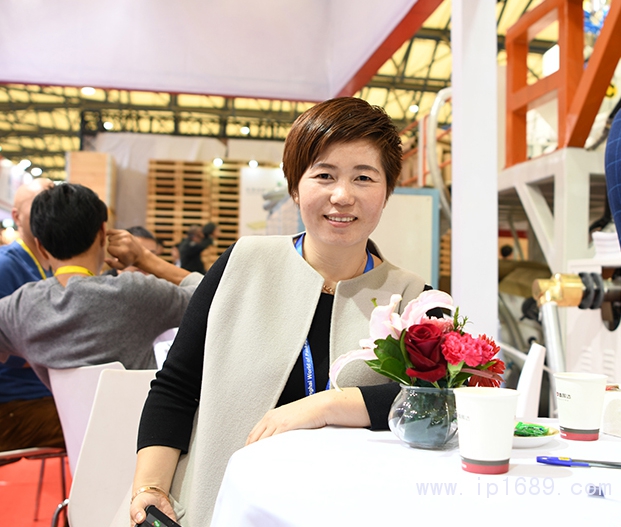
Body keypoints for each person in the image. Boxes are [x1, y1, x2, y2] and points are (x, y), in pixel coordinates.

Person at [124, 97, 436, 526]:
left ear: (386, 193)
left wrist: (327, 406)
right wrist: (151, 489)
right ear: (295, 187)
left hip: (348, 510)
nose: (342, 196)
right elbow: (177, 387)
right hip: (219, 505)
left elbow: (440, 404)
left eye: (364, 177)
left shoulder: (413, 299)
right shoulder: (242, 265)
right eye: (324, 175)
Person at [0, 183, 203, 391]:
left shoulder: (21, 306)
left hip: (67, 413)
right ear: (102, 233)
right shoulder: (136, 292)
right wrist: (144, 258)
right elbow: (212, 297)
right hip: (138, 411)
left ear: (40, 246)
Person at [0, 178, 64, 451]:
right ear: (16, 217)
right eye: (40, 205)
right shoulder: (5, 266)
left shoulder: (53, 264)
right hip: (16, 402)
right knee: (103, 424)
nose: (50, 212)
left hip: (51, 393)